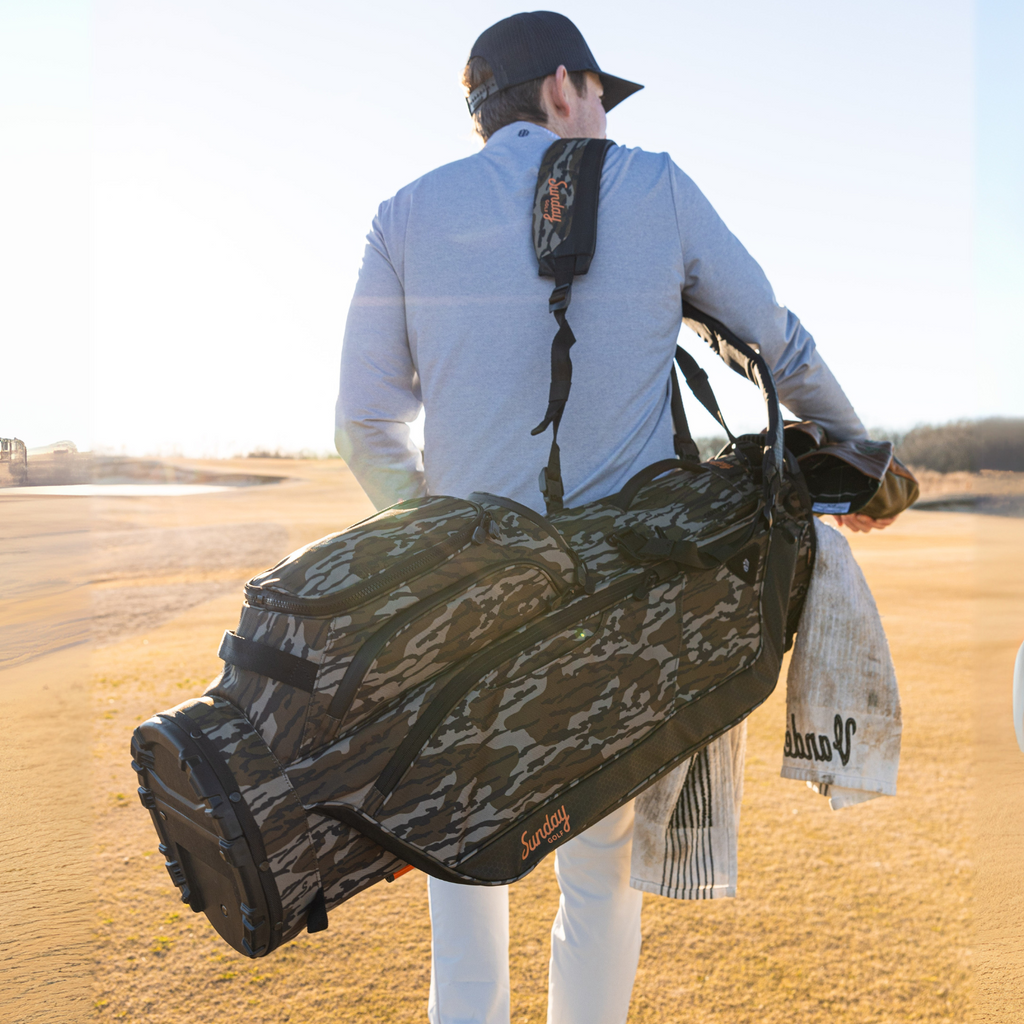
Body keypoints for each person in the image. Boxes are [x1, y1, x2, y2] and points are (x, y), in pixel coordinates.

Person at [335, 11, 892, 1023]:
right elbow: (778, 346)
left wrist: (442, 546)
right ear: (561, 88)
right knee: (596, 884)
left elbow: (364, 422)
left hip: (462, 618)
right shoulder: (652, 184)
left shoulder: (403, 213)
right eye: (598, 95)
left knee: (464, 889)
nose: (601, 116)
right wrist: (858, 464)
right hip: (619, 615)